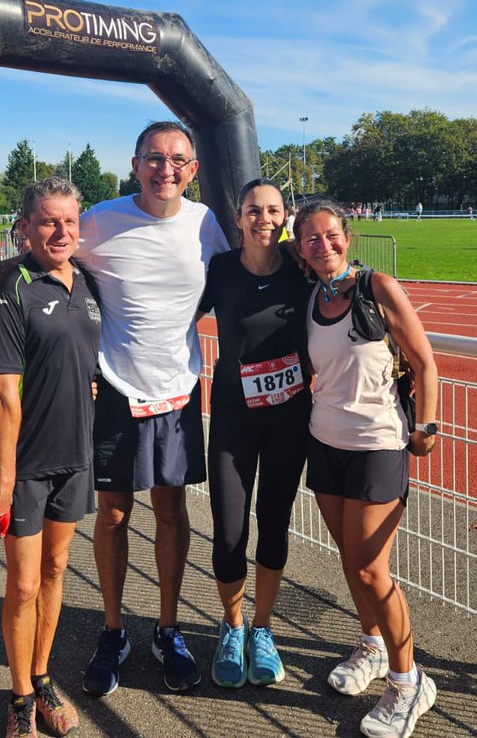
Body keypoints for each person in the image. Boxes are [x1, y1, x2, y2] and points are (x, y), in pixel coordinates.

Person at [75, 120, 229, 696]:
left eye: (179, 160)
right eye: (155, 158)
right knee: (113, 514)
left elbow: (246, 274)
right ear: (136, 164)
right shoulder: (99, 220)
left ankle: (168, 628)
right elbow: (50, 263)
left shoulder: (206, 223)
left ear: (193, 169)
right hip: (116, 389)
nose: (167, 169)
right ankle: (113, 629)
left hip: (179, 390)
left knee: (171, 510)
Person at [294, 198, 439, 738]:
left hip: (379, 444)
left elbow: (424, 361)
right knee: (351, 561)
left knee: (372, 569)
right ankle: (373, 646)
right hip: (324, 441)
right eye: (311, 239)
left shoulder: (376, 287)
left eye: (330, 235)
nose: (323, 246)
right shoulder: (310, 296)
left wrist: (426, 427)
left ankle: (409, 682)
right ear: (301, 249)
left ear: (347, 236)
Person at [0, 177, 100, 737]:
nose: (61, 231)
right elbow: (4, 393)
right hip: (25, 466)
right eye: (49, 221)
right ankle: (20, 697)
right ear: (25, 226)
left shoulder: (89, 283)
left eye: (70, 221)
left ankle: (43, 673)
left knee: (55, 572)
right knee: (24, 585)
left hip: (75, 456)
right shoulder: (11, 287)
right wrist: (3, 477)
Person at [198, 179, 311, 689]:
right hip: (232, 418)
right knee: (228, 530)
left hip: (289, 418)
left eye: (272, 211)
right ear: (238, 216)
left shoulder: (300, 268)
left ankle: (262, 629)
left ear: (284, 216)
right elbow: (167, 311)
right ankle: (233, 624)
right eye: (252, 211)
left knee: (274, 522)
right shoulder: (219, 270)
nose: (263, 219)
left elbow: (345, 289)